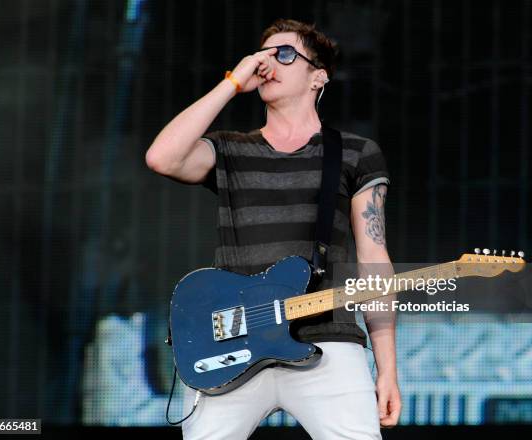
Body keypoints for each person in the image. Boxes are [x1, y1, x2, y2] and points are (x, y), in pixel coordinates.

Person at [146, 18, 401, 440]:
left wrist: (387, 367)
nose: (267, 64)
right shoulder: (230, 148)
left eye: (284, 54)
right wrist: (232, 81)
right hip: (231, 343)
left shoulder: (355, 153)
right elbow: (162, 158)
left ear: (318, 76)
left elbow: (375, 259)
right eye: (262, 55)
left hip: (329, 338)